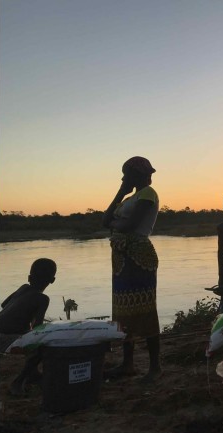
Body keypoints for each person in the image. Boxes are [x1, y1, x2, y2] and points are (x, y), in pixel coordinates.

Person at [102, 156, 162, 383]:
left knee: (145, 308)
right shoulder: (128, 198)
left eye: (126, 175)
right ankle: (127, 364)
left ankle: (155, 367)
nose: (123, 178)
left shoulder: (148, 194)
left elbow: (128, 225)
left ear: (136, 175)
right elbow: (104, 220)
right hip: (121, 260)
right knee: (123, 310)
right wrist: (120, 190)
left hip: (138, 256)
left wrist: (114, 225)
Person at [0, 258, 56, 395]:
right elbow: (38, 328)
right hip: (4, 338)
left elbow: (4, 305)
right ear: (52, 280)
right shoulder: (43, 299)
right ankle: (19, 382)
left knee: (31, 338)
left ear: (29, 277)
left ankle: (33, 374)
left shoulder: (23, 288)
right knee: (42, 345)